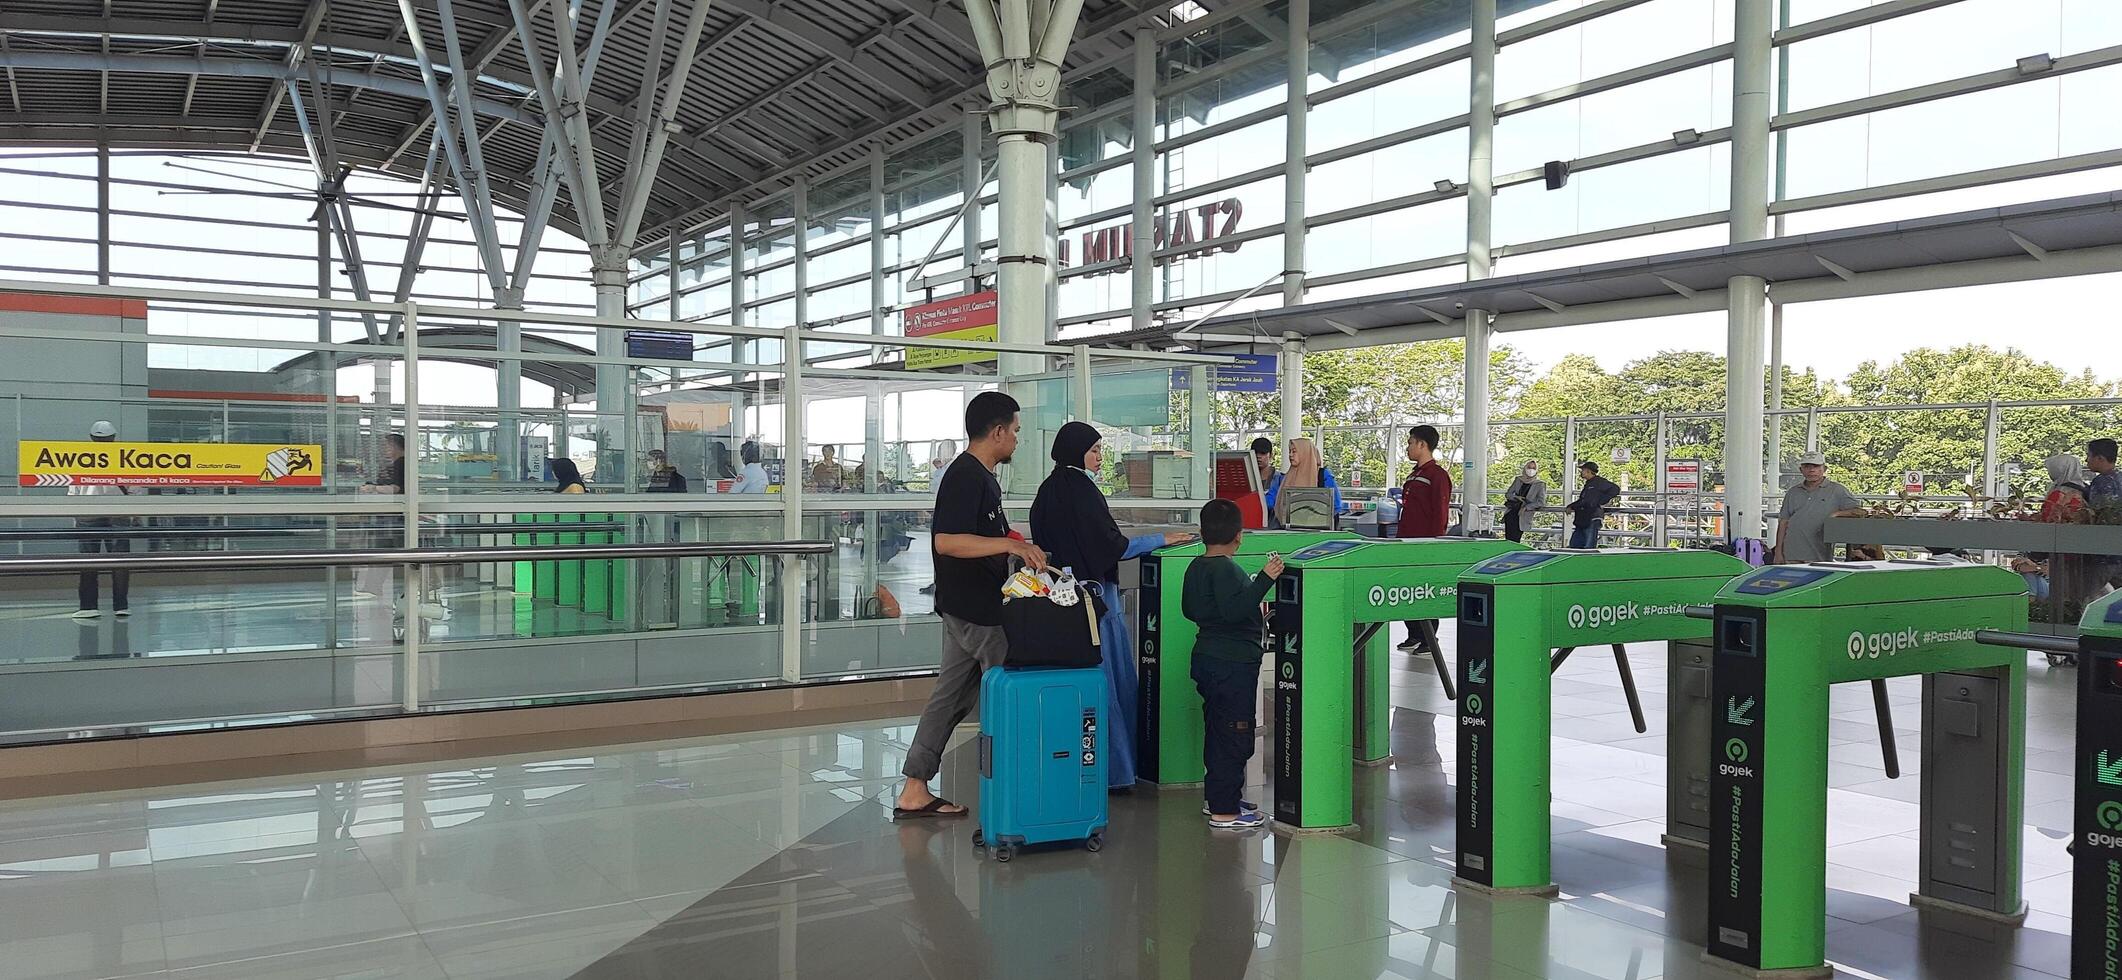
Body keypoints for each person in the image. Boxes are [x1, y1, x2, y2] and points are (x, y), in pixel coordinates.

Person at [894, 392, 1048, 820]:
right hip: (978, 612)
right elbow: (946, 541)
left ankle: (914, 787)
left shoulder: (982, 478)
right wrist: (1003, 543)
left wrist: (1015, 544)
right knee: (1008, 692)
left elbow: (980, 533)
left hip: (965, 607)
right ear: (997, 431)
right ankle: (1016, 790)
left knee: (951, 699)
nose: (1017, 439)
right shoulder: (966, 476)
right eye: (1015, 431)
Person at [1031, 421, 1194, 790]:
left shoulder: (1048, 489)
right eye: (1094, 451)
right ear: (1077, 452)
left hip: (1064, 597)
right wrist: (1160, 539)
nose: (1100, 458)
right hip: (1096, 601)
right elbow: (1111, 545)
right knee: (1109, 683)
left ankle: (1089, 766)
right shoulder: (1082, 490)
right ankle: (1117, 770)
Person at [1183, 497, 1282, 830]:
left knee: (1217, 731)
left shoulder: (1196, 566)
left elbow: (1190, 609)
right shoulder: (1226, 568)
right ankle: (1225, 811)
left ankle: (1219, 796)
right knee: (1236, 735)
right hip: (1232, 663)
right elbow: (1235, 609)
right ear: (1239, 535)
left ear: (1201, 532)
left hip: (1206, 656)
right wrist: (1266, 580)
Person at [70, 420, 136, 620]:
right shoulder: (125, 457)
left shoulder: (81, 457)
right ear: (114, 439)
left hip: (88, 513)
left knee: (89, 562)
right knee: (120, 562)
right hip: (119, 513)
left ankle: (89, 607)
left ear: (91, 438)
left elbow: (73, 489)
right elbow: (135, 488)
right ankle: (121, 605)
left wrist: (75, 515)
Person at [1397, 425, 1452, 652]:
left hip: (1425, 542)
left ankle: (1429, 637)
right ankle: (1414, 633)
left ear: (1422, 444)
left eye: (1411, 442)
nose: (1408, 447)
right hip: (1406, 541)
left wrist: (1435, 541)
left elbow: (1440, 511)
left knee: (1424, 588)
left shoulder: (1437, 475)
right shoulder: (1415, 474)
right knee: (1407, 587)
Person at [1772, 452, 1863, 563]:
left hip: (1820, 555)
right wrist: (1778, 552)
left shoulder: (1837, 490)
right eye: (1807, 466)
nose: (1811, 470)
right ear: (1801, 470)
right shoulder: (1793, 492)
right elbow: (1783, 522)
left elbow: (1859, 512)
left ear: (1824, 469)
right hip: (1791, 554)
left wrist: (1836, 514)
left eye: (1816, 466)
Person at [1267, 437, 1346, 527]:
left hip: (1319, 530)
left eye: (1294, 451)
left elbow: (1335, 505)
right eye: (1290, 451)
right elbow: (1272, 501)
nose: (1290, 455)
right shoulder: (1284, 478)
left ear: (1305, 453)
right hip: (1288, 530)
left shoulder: (1322, 476)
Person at [1566, 461, 1622, 550]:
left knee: (1586, 546)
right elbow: (1586, 500)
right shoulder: (1592, 484)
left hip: (1591, 516)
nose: (1581, 472)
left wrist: (1600, 501)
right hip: (1586, 516)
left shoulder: (1598, 483)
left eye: (1583, 470)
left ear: (1588, 471)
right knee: (1579, 545)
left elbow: (1615, 489)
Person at [1502, 461, 1547, 543]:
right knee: (1509, 539)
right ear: (1525, 468)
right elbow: (1508, 494)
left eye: (1533, 468)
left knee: (1516, 539)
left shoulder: (1540, 484)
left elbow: (1541, 502)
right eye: (1529, 467)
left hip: (1523, 515)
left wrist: (1526, 507)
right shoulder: (1518, 480)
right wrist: (1516, 497)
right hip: (1512, 512)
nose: (1531, 470)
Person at [1251, 437, 1280, 526]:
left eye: (1263, 453)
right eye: (1255, 453)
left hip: (1273, 527)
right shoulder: (1247, 477)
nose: (1258, 456)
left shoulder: (1280, 478)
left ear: (1270, 455)